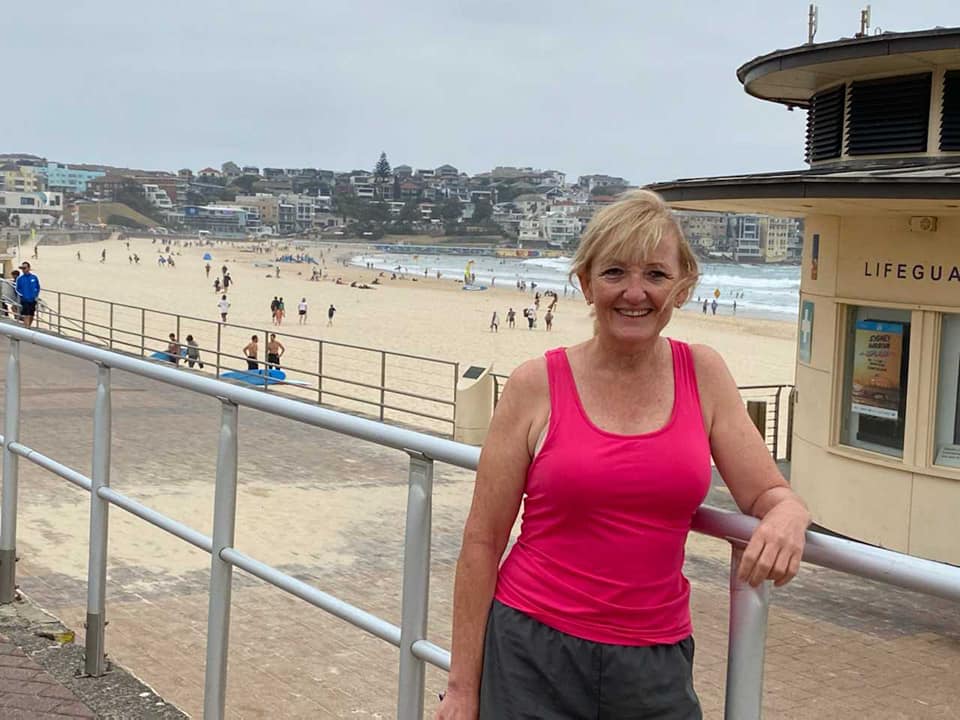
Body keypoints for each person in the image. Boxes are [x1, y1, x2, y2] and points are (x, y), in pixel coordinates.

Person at [436, 190, 809, 719]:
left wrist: (790, 513)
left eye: (655, 274)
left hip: (654, 661)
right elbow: (482, 542)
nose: (635, 293)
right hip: (531, 649)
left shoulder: (703, 375)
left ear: (683, 287)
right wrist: (461, 688)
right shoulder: (534, 385)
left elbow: (767, 491)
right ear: (586, 283)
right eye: (615, 272)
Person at [14, 262, 40, 328]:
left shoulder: (34, 277)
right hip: (25, 299)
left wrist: (36, 295)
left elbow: (38, 287)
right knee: (26, 314)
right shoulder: (20, 278)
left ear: (28, 268)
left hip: (33, 299)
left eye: (24, 268)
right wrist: (22, 295)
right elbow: (17, 288)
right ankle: (27, 327)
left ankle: (29, 325)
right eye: (22, 268)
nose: (23, 270)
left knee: (31, 314)